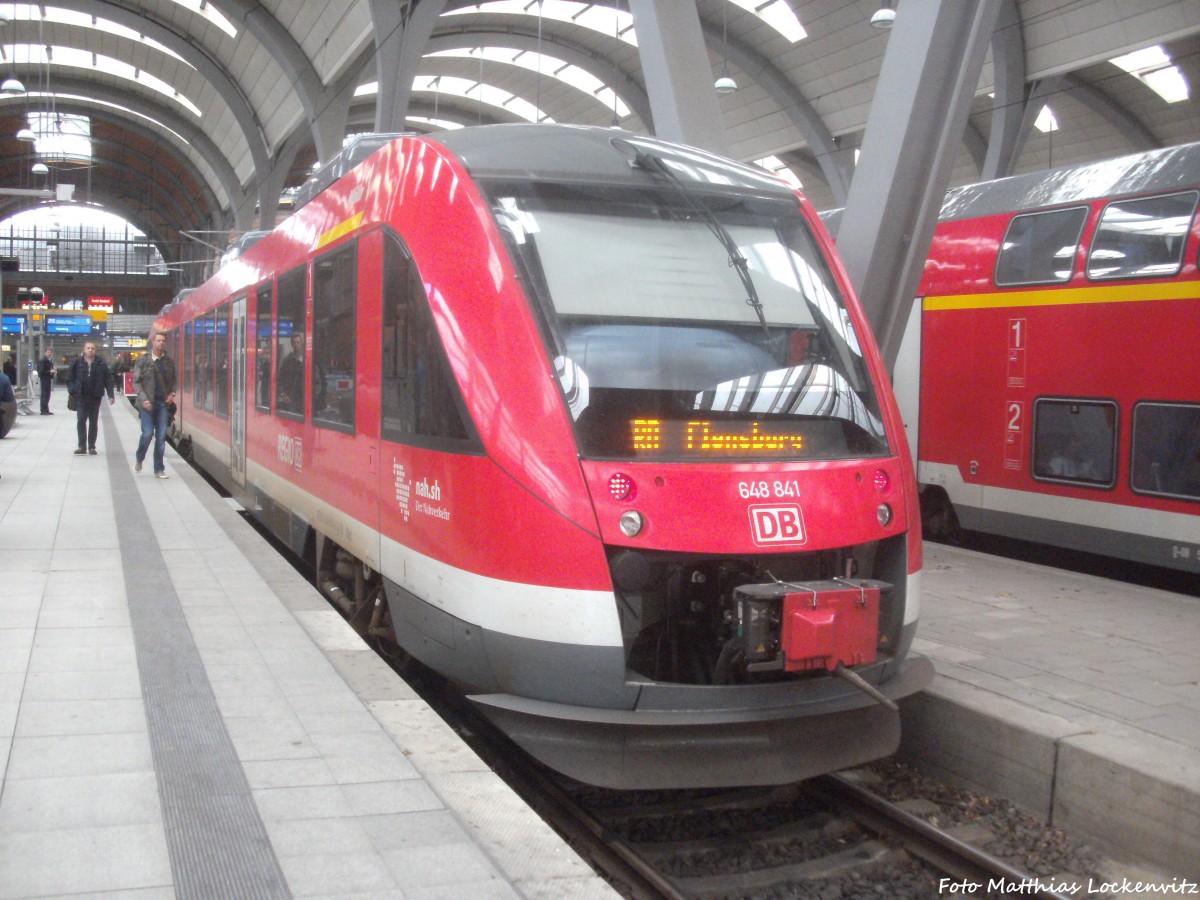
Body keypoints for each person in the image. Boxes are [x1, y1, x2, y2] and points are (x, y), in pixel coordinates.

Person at [133, 329, 177, 479]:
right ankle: (139, 458)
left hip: (163, 404)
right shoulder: (143, 360)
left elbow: (173, 381)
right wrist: (144, 399)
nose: (161, 343)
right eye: (158, 340)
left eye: (163, 341)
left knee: (161, 436)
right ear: (153, 342)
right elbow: (137, 382)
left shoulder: (169, 362)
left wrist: (172, 394)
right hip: (147, 404)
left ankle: (159, 469)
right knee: (147, 434)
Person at [67, 341, 116, 455]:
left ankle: (92, 446)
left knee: (93, 422)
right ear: (84, 350)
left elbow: (108, 379)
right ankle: (82, 446)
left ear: (95, 350)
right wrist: (73, 389)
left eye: (92, 348)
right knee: (81, 420)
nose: (90, 350)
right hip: (81, 396)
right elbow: (70, 378)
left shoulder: (101, 363)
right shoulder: (77, 362)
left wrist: (111, 395)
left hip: (95, 396)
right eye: (88, 348)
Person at [37, 350, 55, 414]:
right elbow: (41, 371)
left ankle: (46, 410)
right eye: (48, 352)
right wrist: (50, 371)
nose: (49, 353)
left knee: (47, 394)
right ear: (45, 353)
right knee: (44, 394)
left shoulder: (49, 360)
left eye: (50, 352)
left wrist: (52, 371)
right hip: (44, 379)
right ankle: (43, 410)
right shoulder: (43, 360)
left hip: (48, 378)